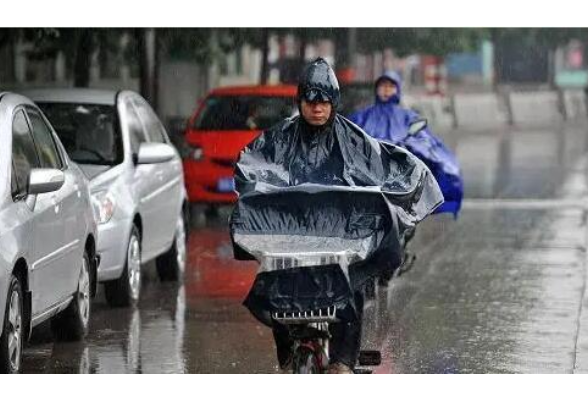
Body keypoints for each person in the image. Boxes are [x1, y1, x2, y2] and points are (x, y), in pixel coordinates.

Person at [233, 59, 443, 374]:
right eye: (311, 101)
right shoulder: (278, 140)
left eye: (324, 101)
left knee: (351, 289)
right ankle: (287, 351)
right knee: (278, 285)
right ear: (300, 102)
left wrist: (409, 180)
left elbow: (381, 165)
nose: (317, 108)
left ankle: (343, 361)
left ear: (333, 103)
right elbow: (251, 167)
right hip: (290, 239)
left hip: (343, 238)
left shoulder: (353, 140)